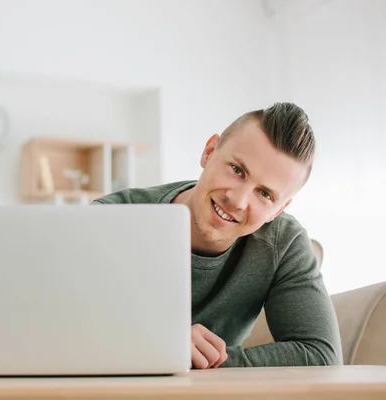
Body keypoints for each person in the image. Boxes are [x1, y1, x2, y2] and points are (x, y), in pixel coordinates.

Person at [93, 102, 342, 368]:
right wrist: (158, 343)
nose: (237, 200)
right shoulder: (110, 218)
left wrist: (185, 358)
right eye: (237, 170)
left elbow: (320, 356)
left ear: (278, 210)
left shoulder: (284, 242)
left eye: (265, 194)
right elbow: (56, 324)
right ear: (209, 152)